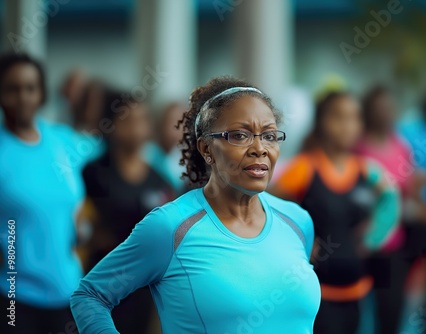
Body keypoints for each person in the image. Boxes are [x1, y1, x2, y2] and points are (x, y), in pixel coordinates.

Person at [70, 76, 321, 333]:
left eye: (269, 135)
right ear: (206, 148)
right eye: (239, 135)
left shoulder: (297, 221)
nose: (260, 148)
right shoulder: (171, 227)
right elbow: (90, 296)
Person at [271, 91, 400, 334]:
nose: (347, 125)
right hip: (316, 294)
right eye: (338, 117)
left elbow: (391, 198)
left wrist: (374, 236)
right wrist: (298, 244)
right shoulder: (304, 168)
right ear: (321, 122)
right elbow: (264, 206)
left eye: (353, 117)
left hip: (356, 289)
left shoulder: (365, 170)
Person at [0, 53, 84, 333]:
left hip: (68, 290)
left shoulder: (62, 140)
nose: (22, 97)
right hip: (13, 294)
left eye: (30, 88)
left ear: (42, 93)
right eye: (12, 89)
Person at [80, 90, 175, 333]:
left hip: (145, 288)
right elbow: (79, 225)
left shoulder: (160, 180)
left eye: (142, 119)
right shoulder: (92, 174)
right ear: (111, 124)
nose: (136, 127)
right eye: (128, 120)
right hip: (103, 280)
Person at [354, 85, 412, 334]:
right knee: (354, 314)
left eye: (388, 108)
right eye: (378, 108)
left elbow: (405, 192)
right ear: (368, 112)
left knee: (391, 312)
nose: (384, 113)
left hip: (392, 245)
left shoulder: (401, 147)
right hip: (359, 245)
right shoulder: (357, 147)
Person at [143, 102, 188, 195]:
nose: (179, 128)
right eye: (173, 122)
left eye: (183, 123)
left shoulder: (188, 159)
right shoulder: (148, 154)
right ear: (161, 125)